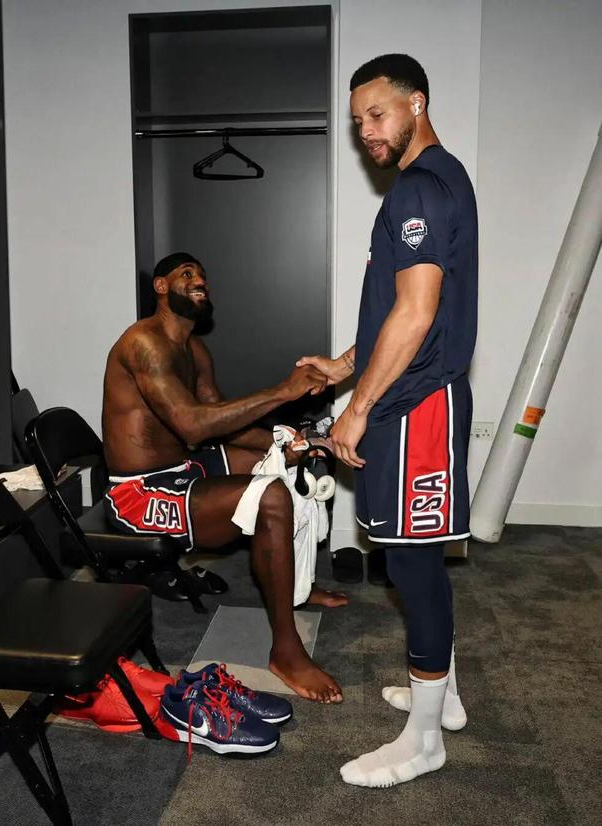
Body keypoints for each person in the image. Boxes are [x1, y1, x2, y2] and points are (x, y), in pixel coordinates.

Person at [299, 54, 477, 785]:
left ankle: (425, 740)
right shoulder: (440, 177)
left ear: (417, 103)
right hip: (409, 398)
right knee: (410, 560)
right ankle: (445, 697)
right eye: (358, 121)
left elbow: (417, 313)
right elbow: (395, 310)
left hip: (416, 407)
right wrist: (346, 366)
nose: (366, 130)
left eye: (377, 114)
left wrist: (358, 409)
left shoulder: (418, 188)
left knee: (413, 564)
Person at [101, 251, 344, 703]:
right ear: (160, 287)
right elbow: (193, 425)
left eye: (202, 275)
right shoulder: (143, 343)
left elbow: (222, 422)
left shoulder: (194, 349)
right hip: (141, 493)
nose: (199, 280)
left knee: (283, 462)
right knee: (271, 497)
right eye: (186, 273)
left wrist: (287, 441)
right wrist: (283, 391)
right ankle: (286, 651)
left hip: (183, 470)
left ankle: (295, 584)